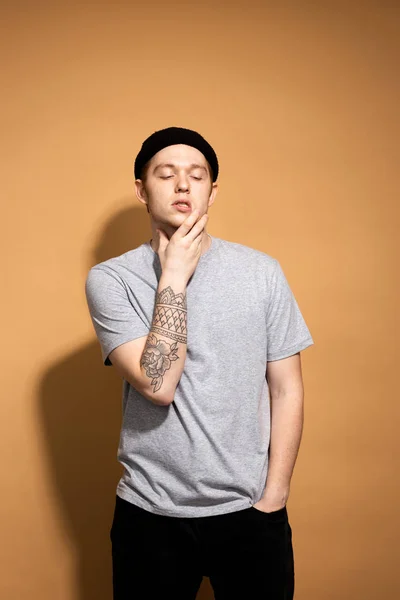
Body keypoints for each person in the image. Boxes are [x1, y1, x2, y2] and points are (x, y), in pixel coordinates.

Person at [85, 126, 314, 599]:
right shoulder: (111, 280)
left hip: (251, 513)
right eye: (166, 175)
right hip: (150, 515)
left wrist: (275, 496)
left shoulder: (261, 272)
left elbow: (286, 389)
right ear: (141, 191)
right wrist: (173, 273)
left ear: (213, 191)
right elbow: (158, 383)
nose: (183, 185)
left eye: (197, 175)